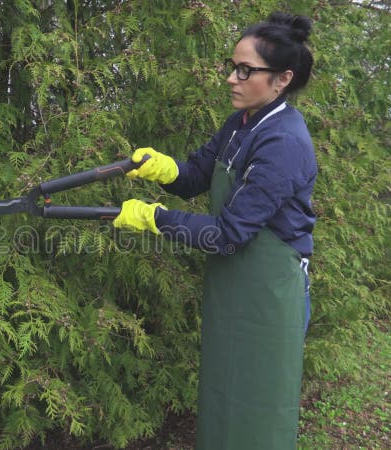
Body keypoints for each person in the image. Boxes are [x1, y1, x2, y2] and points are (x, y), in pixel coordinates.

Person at [113, 12, 317, 450]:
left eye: (246, 70)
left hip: (268, 298)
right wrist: (164, 170)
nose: (231, 78)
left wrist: (155, 219)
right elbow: (195, 176)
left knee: (259, 410)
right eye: (232, 66)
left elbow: (227, 235)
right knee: (223, 395)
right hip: (235, 293)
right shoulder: (241, 124)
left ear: (282, 79)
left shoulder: (283, 142)